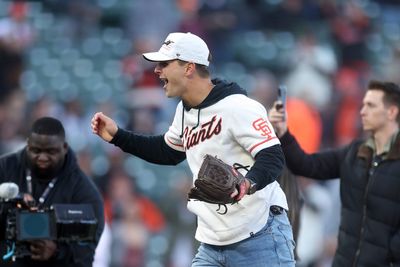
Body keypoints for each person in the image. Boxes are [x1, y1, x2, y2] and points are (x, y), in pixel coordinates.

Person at [91, 32, 295, 266]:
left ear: (188, 68)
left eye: (164, 64)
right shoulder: (184, 111)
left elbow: (273, 156)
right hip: (212, 243)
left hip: (259, 234)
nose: (157, 70)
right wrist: (118, 136)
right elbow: (167, 151)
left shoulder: (238, 106)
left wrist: (248, 183)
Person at [268, 80, 400, 266]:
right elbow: (307, 165)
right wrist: (284, 133)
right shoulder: (354, 153)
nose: (362, 111)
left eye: (370, 106)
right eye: (363, 105)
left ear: (391, 112)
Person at [0, 117, 104, 267]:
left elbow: (87, 254)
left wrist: (56, 251)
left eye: (51, 151)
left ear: (65, 147)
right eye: (36, 150)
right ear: (28, 145)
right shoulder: (5, 168)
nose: (42, 157)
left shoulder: (84, 191)